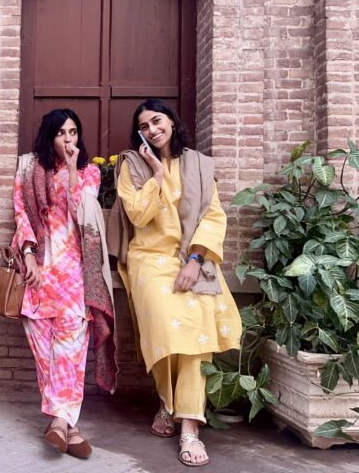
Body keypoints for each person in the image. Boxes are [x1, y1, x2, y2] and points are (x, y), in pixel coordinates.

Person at [107, 99, 242, 467]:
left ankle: (188, 424)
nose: (152, 130)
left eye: (157, 121)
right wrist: (155, 174)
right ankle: (167, 402)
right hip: (148, 258)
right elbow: (137, 213)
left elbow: (213, 217)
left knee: (198, 328)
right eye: (144, 126)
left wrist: (196, 260)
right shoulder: (131, 165)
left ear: (171, 122)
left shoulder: (197, 164)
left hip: (191, 258)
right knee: (168, 326)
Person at [12, 108, 117, 459]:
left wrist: (72, 169)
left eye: (73, 131)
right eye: (61, 133)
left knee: (70, 355)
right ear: (49, 136)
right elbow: (21, 214)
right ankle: (68, 428)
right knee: (47, 356)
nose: (68, 138)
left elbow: (81, 213)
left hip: (74, 277)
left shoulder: (90, 173)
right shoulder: (29, 171)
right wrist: (28, 256)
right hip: (39, 274)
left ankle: (58, 423)